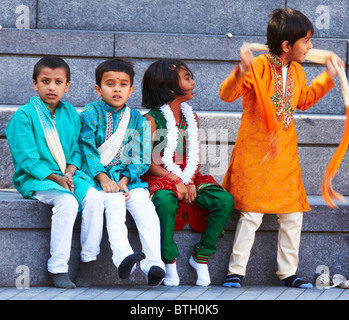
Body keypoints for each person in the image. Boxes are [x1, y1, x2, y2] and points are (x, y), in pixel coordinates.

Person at [220, 8, 343, 288]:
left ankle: (288, 273)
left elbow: (304, 100)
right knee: (251, 214)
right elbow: (227, 95)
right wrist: (241, 70)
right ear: (287, 45)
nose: (311, 47)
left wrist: (328, 77)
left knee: (292, 215)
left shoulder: (298, 71)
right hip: (255, 154)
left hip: (284, 157)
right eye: (306, 41)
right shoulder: (260, 66)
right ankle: (235, 271)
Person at [5, 56, 104, 289]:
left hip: (68, 176)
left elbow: (77, 150)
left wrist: (69, 172)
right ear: (35, 84)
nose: (52, 87)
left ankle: (88, 261)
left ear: (67, 86)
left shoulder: (70, 113)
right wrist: (56, 178)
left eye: (58, 82)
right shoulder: (24, 116)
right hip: (37, 179)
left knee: (95, 198)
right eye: (45, 81)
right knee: (67, 202)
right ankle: (58, 268)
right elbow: (27, 159)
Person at [141, 58, 234, 287]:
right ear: (170, 87)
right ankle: (169, 261)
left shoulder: (191, 118)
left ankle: (201, 256)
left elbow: (195, 156)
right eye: (187, 78)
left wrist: (190, 181)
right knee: (164, 201)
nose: (193, 82)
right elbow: (143, 162)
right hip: (160, 176)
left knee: (224, 199)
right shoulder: (151, 120)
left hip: (188, 176)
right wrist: (174, 179)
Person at [79, 58, 165, 286]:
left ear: (131, 90)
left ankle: (154, 265)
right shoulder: (91, 113)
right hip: (98, 179)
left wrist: (125, 180)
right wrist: (104, 178)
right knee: (115, 203)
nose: (117, 89)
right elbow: (86, 148)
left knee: (146, 208)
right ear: (98, 89)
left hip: (129, 180)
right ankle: (123, 257)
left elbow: (141, 156)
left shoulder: (137, 119)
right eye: (110, 83)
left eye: (123, 84)